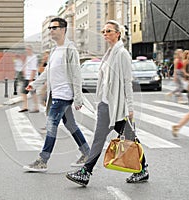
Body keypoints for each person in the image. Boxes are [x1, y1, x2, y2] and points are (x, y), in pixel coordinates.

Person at [65, 20, 149, 186]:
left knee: (100, 138)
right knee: (129, 138)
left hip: (114, 105)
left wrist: (130, 107)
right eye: (103, 31)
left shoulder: (122, 54)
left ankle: (86, 172)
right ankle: (142, 169)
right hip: (106, 103)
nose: (105, 34)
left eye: (109, 31)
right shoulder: (110, 53)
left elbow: (127, 82)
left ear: (118, 33)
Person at [23, 17, 90, 172]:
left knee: (51, 125)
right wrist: (34, 84)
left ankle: (42, 160)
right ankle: (87, 153)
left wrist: (78, 98)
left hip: (64, 94)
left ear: (63, 29)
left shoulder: (70, 49)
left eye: (54, 28)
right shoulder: (54, 50)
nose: (51, 30)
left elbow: (76, 74)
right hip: (57, 94)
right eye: (50, 28)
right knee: (70, 124)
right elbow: (48, 72)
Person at [19, 45, 39, 113]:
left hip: (31, 78)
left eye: (28, 49)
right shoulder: (28, 57)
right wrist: (24, 73)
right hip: (27, 78)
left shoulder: (34, 58)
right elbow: (25, 66)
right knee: (23, 92)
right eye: (26, 49)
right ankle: (25, 106)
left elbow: (33, 69)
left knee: (33, 93)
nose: (26, 50)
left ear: (31, 50)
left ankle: (36, 107)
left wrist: (31, 80)